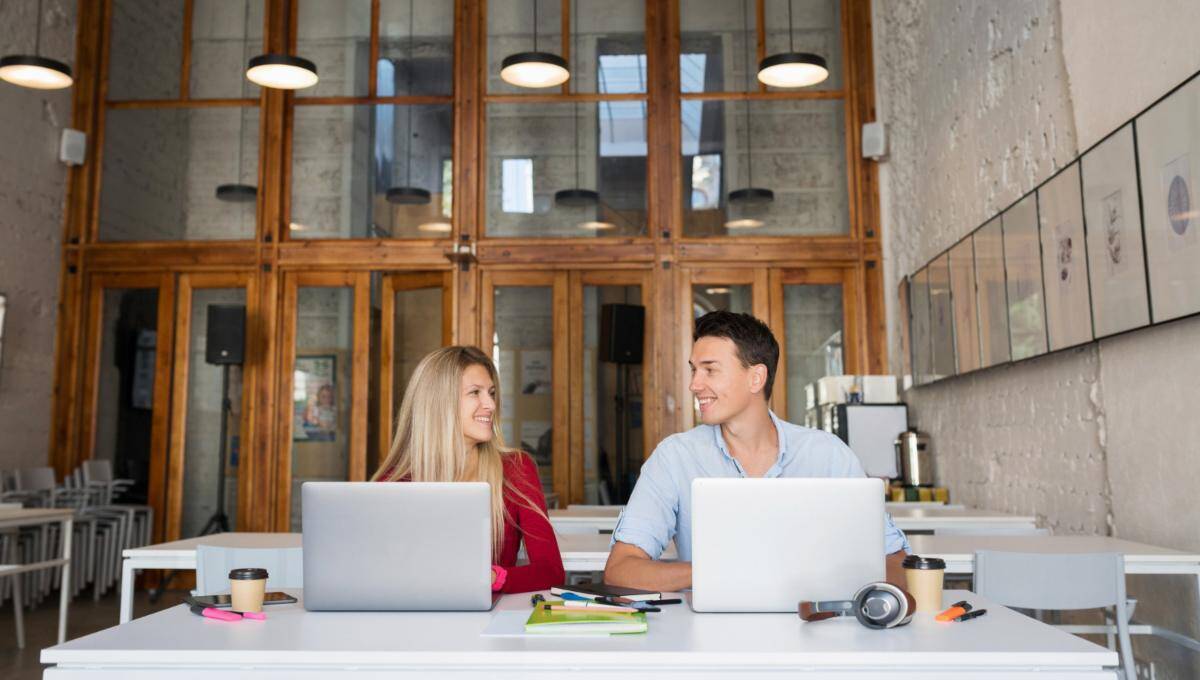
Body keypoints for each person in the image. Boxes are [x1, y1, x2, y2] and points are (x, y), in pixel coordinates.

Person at [604, 311, 910, 592]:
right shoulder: (674, 458)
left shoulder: (829, 456)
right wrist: (719, 571)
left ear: (756, 378)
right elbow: (621, 569)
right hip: (710, 630)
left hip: (816, 624)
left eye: (710, 370)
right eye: (694, 370)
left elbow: (895, 560)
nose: (694, 384)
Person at [372, 345, 565, 593]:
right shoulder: (394, 484)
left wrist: (491, 578)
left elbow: (550, 571)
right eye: (475, 392)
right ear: (438, 403)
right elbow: (376, 573)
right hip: (416, 612)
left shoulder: (516, 469)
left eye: (491, 393)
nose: (491, 405)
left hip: (489, 613)